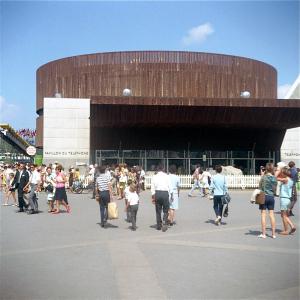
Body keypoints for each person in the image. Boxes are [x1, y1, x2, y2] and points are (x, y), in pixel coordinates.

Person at [257, 163, 277, 239]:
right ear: (272, 169)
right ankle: (273, 234)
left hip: (264, 196)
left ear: (266, 169)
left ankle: (264, 234)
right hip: (271, 197)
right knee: (271, 214)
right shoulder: (274, 178)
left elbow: (260, 187)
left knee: (263, 214)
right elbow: (275, 189)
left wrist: (262, 175)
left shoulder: (264, 177)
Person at [151, 164, 172, 232]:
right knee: (166, 210)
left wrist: (153, 196)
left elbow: (152, 188)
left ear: (158, 169)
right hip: (165, 193)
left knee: (158, 210)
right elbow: (170, 186)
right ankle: (165, 222)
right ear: (163, 169)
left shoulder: (154, 176)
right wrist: (171, 195)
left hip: (157, 193)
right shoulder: (167, 176)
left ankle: (159, 225)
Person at [277, 167, 296, 235]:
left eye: (282, 172)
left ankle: (286, 230)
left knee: (283, 216)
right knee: (285, 215)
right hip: (288, 199)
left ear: (284, 173)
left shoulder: (285, 179)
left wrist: (278, 171)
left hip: (284, 199)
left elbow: (275, 178)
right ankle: (292, 226)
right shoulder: (290, 179)